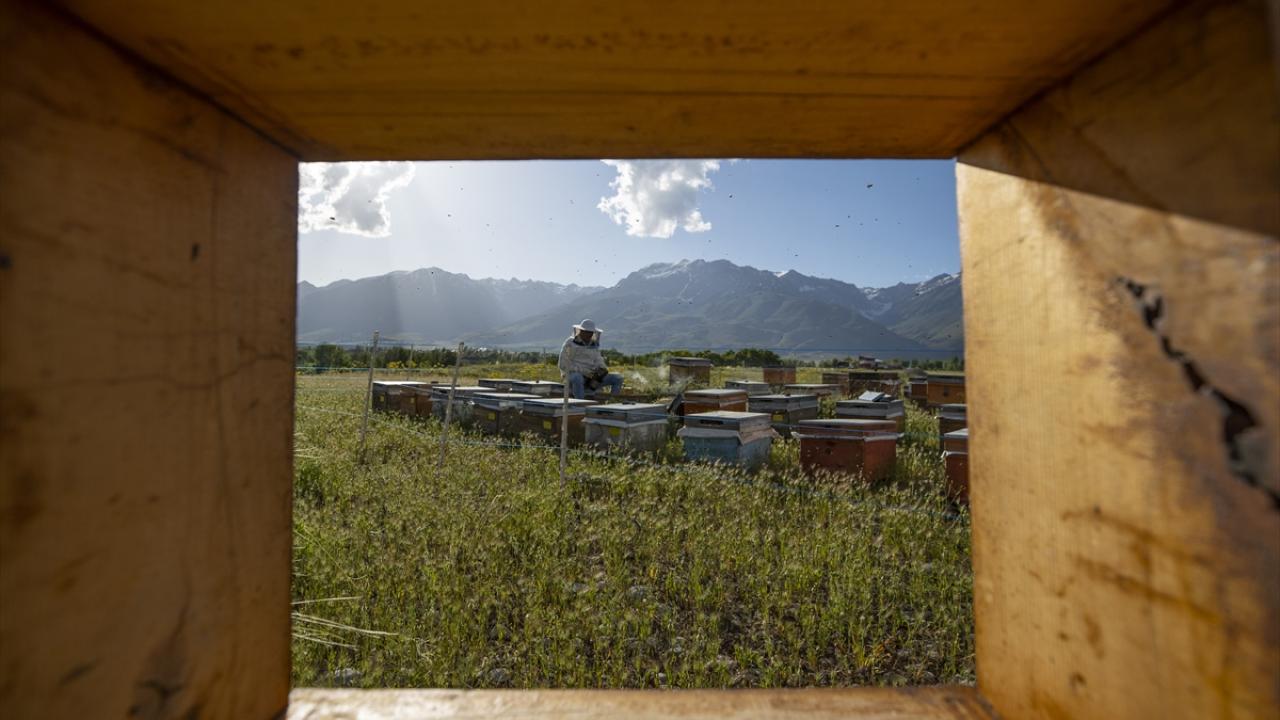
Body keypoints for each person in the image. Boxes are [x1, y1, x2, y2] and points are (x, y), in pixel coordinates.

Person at [558, 319, 624, 399]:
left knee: (617, 378)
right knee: (577, 378)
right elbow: (562, 364)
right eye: (587, 332)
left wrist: (602, 369)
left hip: (591, 377)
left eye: (591, 332)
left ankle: (612, 402)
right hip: (572, 376)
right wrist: (583, 371)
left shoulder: (593, 344)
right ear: (581, 331)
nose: (589, 335)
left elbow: (598, 359)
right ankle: (580, 403)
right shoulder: (570, 343)